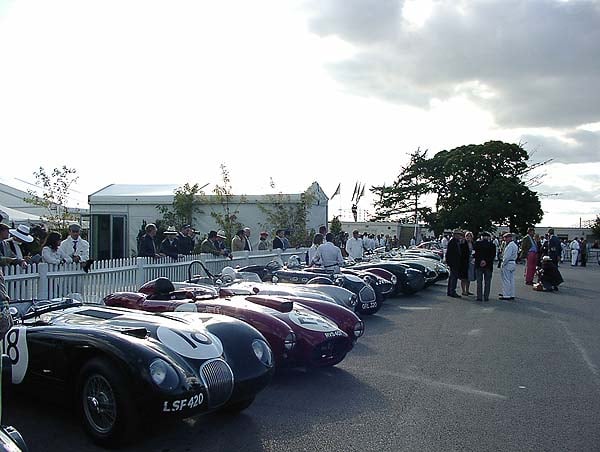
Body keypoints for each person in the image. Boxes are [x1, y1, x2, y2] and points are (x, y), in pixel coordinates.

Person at [473, 231, 496, 302]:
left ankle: (479, 297)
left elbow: (474, 254)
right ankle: (486, 297)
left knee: (479, 282)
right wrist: (486, 261)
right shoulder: (492, 245)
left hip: (478, 264)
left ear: (481, 237)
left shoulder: (477, 244)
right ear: (488, 237)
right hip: (488, 265)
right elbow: (493, 256)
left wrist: (481, 260)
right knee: (487, 282)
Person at [445, 229, 465, 298]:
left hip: (455, 262)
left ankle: (450, 291)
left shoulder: (456, 242)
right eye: (459, 235)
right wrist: (449, 262)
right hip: (453, 263)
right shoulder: (452, 242)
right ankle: (452, 291)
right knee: (454, 277)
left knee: (452, 277)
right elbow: (449, 253)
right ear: (455, 235)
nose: (460, 236)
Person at [499, 232, 518, 301]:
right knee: (511, 279)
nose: (505, 239)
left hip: (508, 263)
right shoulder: (514, 245)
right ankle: (511, 294)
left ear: (510, 238)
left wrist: (503, 264)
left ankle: (506, 294)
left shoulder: (509, 246)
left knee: (506, 279)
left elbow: (506, 257)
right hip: (513, 262)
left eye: (506, 238)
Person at [460, 231, 476, 296]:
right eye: (467, 236)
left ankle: (467, 290)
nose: (468, 237)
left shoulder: (473, 243)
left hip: (471, 261)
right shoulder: (463, 243)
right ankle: (463, 291)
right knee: (464, 277)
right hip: (464, 262)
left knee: (469, 277)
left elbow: (475, 251)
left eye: (470, 236)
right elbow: (461, 253)